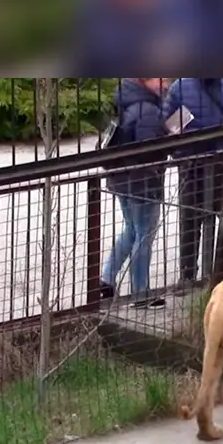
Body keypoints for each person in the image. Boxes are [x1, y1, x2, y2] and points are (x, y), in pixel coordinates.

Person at [162, 77, 223, 290]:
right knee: (192, 218)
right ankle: (189, 274)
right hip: (193, 166)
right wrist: (181, 153)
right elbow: (170, 127)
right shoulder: (181, 88)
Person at [99, 78, 170, 309]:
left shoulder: (126, 101)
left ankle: (106, 278)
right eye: (159, 79)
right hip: (143, 183)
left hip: (122, 180)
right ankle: (141, 293)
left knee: (131, 230)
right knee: (144, 236)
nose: (165, 84)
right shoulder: (147, 109)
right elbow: (149, 150)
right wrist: (169, 137)